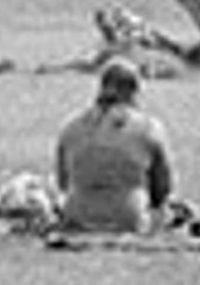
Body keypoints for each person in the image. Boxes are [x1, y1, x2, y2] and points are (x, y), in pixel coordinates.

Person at [53, 56, 177, 234]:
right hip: (129, 220)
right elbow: (162, 190)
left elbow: (63, 183)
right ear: (133, 92)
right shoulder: (149, 128)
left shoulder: (71, 127)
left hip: (77, 218)